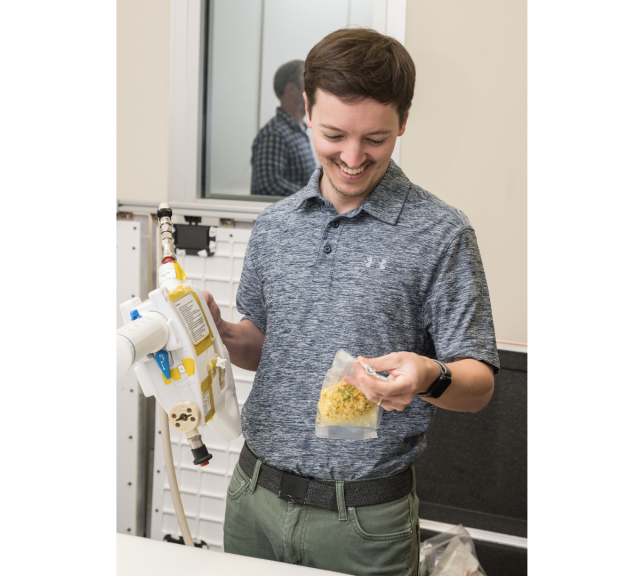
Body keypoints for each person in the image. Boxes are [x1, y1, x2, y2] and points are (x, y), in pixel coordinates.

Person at [203, 28, 498, 576]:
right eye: (334, 134)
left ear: (403, 122)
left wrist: (430, 374)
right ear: (306, 111)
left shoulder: (442, 233)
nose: (353, 157)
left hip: (363, 522)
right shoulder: (275, 226)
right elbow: (261, 346)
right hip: (253, 499)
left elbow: (479, 384)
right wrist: (218, 332)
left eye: (377, 139)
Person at [250, 60, 318, 196]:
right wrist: (314, 196)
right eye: (308, 83)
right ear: (291, 89)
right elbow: (267, 185)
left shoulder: (299, 131)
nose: (315, 89)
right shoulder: (275, 134)